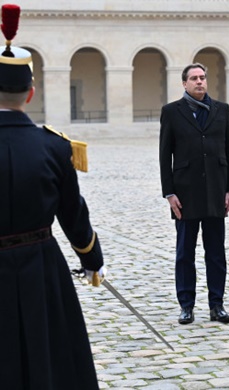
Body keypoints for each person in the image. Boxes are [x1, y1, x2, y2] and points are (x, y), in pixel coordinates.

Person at [0, 4, 105, 388]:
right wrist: (91, 259)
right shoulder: (55, 147)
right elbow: (73, 215)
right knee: (49, 356)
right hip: (40, 265)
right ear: (30, 93)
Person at [159, 63, 229, 325]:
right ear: (184, 84)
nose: (200, 82)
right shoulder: (171, 112)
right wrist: (169, 193)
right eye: (194, 78)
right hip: (185, 193)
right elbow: (164, 156)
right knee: (185, 253)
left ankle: (217, 305)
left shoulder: (222, 110)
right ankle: (186, 305)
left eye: (203, 77)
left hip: (216, 191)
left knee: (216, 252)